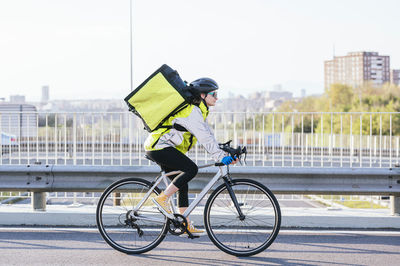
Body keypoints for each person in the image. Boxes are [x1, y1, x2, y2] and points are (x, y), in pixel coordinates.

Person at [144, 77, 238, 237]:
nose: (217, 97)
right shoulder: (193, 112)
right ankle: (162, 199)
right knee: (191, 169)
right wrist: (220, 157)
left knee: (182, 181)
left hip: (162, 146)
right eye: (214, 94)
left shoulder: (198, 111)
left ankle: (184, 222)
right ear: (202, 95)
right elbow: (204, 138)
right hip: (158, 147)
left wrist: (224, 151)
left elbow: (208, 135)